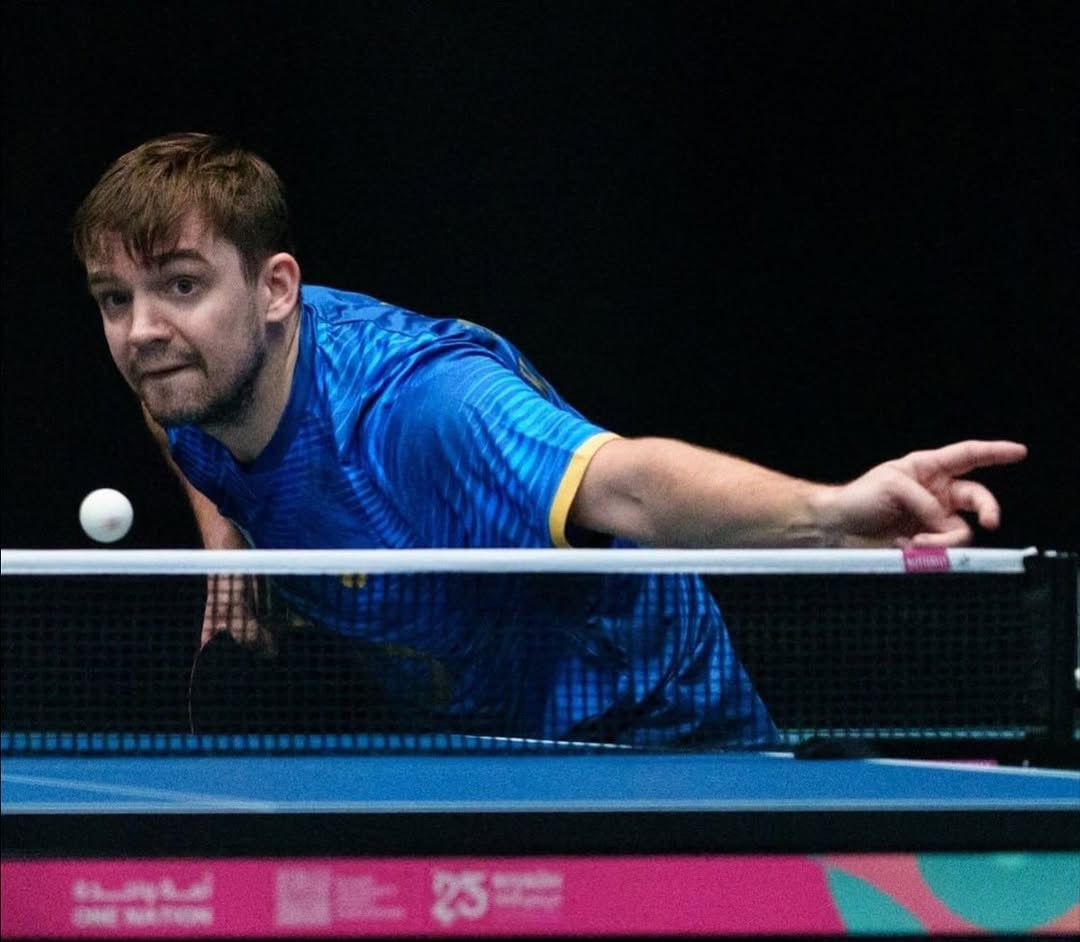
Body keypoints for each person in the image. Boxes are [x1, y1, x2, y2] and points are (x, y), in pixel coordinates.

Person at [72, 132, 1027, 746]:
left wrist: (831, 513)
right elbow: (171, 411)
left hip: (655, 741)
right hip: (480, 753)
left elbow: (627, 483)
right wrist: (228, 544)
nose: (144, 332)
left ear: (276, 288)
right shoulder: (193, 377)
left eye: (182, 286)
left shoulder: (425, 409)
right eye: (116, 299)